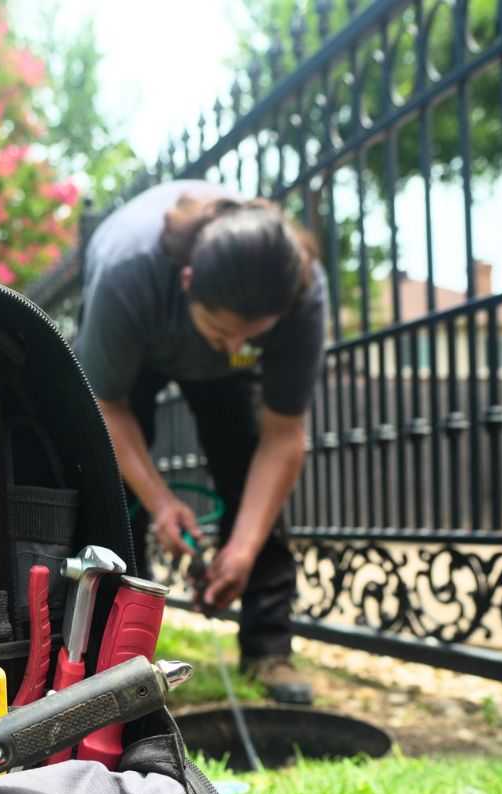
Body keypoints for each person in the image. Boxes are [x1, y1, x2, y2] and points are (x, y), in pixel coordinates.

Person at [75, 180, 326, 703]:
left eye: (252, 336)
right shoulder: (129, 273)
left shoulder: (299, 293)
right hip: (137, 348)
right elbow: (106, 407)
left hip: (211, 354)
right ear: (188, 281)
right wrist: (161, 501)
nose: (236, 347)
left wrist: (243, 549)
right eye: (224, 331)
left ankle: (268, 649)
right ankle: (113, 656)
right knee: (113, 486)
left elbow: (283, 436)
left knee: (248, 469)